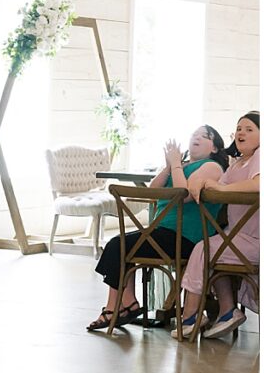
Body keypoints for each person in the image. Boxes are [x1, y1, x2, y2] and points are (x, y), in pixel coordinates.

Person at [86, 125, 228, 332]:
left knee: (119, 245)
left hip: (185, 237)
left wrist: (176, 165)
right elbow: (153, 191)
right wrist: (169, 166)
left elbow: (184, 194)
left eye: (204, 136)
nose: (196, 137)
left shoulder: (211, 166)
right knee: (119, 245)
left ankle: (119, 307)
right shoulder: (181, 166)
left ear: (215, 148)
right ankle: (124, 304)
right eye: (193, 134)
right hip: (162, 232)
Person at [174, 112, 260, 339]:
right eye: (239, 128)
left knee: (203, 250)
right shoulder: (239, 163)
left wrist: (221, 189)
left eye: (249, 129)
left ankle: (191, 316)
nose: (241, 132)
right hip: (238, 237)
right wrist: (201, 180)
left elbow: (258, 184)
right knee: (212, 249)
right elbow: (214, 184)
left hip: (255, 240)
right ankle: (227, 310)